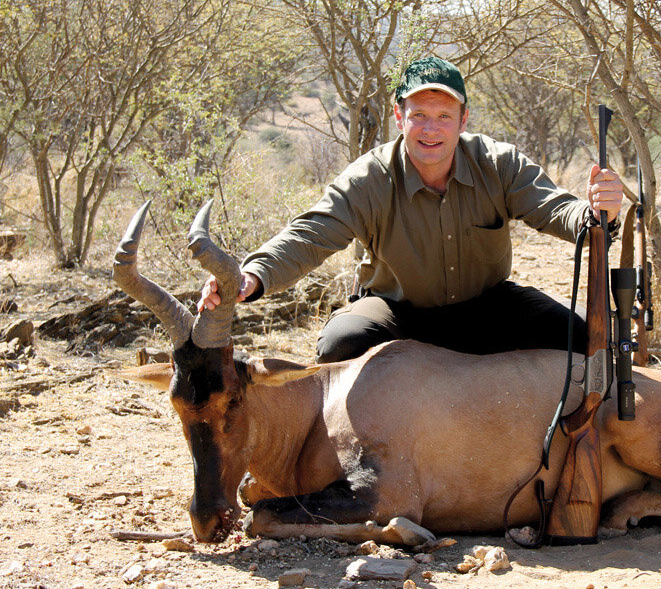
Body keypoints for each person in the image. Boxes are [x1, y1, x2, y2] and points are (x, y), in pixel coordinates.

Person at [199, 55, 624, 362]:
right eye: (419, 114)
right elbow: (311, 234)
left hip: (488, 306)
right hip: (398, 312)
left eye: (443, 115)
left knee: (582, 338)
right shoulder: (369, 178)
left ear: (463, 119)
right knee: (340, 344)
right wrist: (252, 275)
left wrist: (596, 212)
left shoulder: (498, 162)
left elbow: (552, 207)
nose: (431, 129)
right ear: (400, 118)